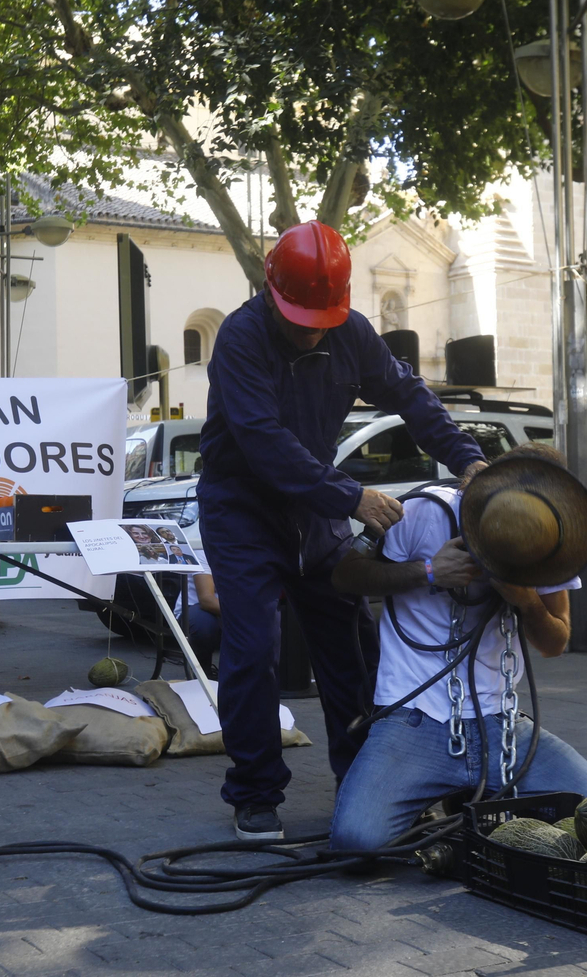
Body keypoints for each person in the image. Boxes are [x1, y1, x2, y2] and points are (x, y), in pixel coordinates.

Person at [199, 219, 488, 841]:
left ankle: (363, 781)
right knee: (253, 647)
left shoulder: (351, 332)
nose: (311, 331)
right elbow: (263, 442)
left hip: (315, 508)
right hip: (242, 508)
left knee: (351, 644)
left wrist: (466, 458)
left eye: (320, 320)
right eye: (300, 320)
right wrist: (350, 496)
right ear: (271, 292)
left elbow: (411, 397)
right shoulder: (240, 338)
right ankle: (255, 793)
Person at [328, 446, 587, 850]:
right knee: (357, 840)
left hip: (501, 724)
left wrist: (525, 599)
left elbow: (554, 643)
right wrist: (428, 571)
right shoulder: (426, 511)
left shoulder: (550, 542)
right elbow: (345, 576)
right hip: (416, 717)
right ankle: (447, 798)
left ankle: (472, 802)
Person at [175, 549, 221, 679]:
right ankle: (203, 675)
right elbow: (207, 600)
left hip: (234, 607)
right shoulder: (203, 551)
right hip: (196, 608)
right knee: (204, 623)